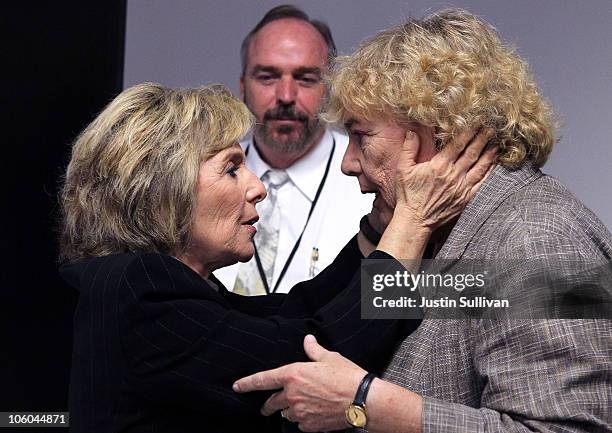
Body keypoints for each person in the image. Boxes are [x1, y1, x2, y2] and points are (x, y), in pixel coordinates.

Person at [233, 9, 612, 433]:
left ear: (439, 132)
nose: (347, 162)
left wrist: (365, 402)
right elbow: (332, 331)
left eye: (361, 136)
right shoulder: (440, 230)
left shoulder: (539, 236)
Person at [58, 82, 494, 432]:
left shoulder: (159, 288)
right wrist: (413, 223)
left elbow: (293, 313)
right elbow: (306, 354)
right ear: (160, 191)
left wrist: (377, 231)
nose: (257, 186)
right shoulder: (138, 287)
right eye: (231, 169)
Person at [214, 5, 373, 295]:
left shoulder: (372, 182)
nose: (286, 96)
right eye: (267, 77)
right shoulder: (202, 180)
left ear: (329, 89)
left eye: (305, 79)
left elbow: (406, 303)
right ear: (242, 88)